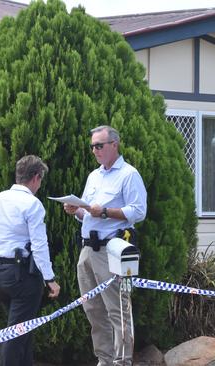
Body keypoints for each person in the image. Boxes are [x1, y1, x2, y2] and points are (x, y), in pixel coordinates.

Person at [63, 125, 147, 366]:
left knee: (117, 310)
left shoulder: (129, 174)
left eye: (99, 145)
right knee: (93, 310)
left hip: (110, 249)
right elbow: (88, 212)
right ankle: (105, 359)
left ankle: (122, 361)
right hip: (87, 250)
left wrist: (105, 212)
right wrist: (76, 210)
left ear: (114, 145)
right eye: (92, 147)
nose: (95, 150)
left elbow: (138, 211)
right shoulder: (94, 176)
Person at [0, 155, 61, 366]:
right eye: (41, 179)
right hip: (22, 279)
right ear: (36, 177)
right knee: (16, 336)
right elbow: (39, 245)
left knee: (24, 331)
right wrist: (50, 279)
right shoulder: (33, 204)